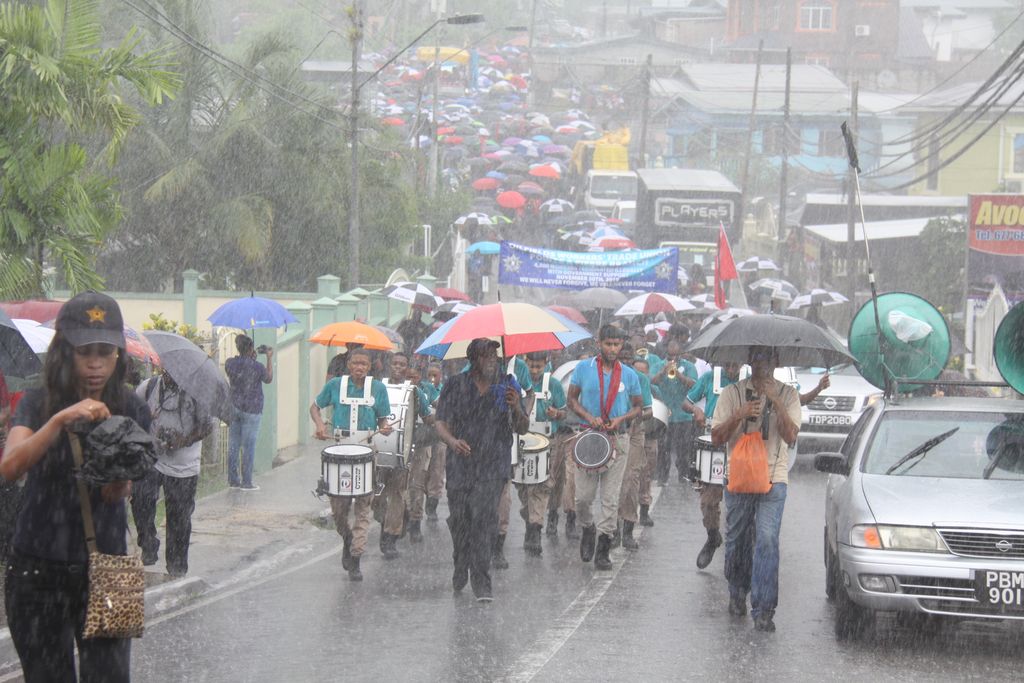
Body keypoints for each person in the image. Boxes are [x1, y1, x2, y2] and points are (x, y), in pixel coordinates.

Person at [1, 291, 151, 681]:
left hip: (107, 569)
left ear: (119, 355)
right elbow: (10, 466)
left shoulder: (133, 408)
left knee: (110, 678)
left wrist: (118, 478)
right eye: (86, 352)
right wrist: (60, 420)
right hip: (37, 573)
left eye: (106, 351)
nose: (96, 364)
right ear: (65, 352)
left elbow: (120, 491)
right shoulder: (38, 403)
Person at [711, 346, 801, 633]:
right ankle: (737, 588)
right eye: (757, 358)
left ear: (776, 362)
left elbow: (791, 437)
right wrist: (738, 415)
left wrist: (776, 401)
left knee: (766, 539)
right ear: (749, 362)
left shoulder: (789, 394)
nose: (762, 365)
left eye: (768, 359)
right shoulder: (731, 393)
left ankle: (764, 609)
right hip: (739, 477)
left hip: (773, 479)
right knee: (737, 539)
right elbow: (716, 438)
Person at [435, 338, 528, 602]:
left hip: (493, 465)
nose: (492, 361)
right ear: (473, 360)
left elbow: (522, 427)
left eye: (495, 357)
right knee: (460, 520)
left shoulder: (508, 385)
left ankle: (481, 580)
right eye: (486, 356)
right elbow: (440, 422)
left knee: (485, 521)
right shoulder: (455, 385)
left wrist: (516, 407)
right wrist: (452, 441)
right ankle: (459, 560)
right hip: (460, 464)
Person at [310, 347, 392, 580]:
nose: (359, 367)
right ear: (348, 364)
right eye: (355, 363)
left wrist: (385, 426)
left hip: (366, 451)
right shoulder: (335, 385)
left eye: (363, 364)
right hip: (338, 450)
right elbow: (315, 407)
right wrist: (319, 425)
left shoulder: (378, 388)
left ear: (370, 366)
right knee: (338, 508)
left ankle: (356, 557)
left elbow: (383, 418)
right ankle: (347, 537)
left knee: (363, 506)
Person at [567, 325, 643, 571]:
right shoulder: (583, 368)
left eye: (617, 344)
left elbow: (638, 407)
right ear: (599, 343)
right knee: (582, 498)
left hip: (617, 439)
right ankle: (588, 528)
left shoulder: (629, 375)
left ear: (622, 345)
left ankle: (603, 547)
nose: (613, 349)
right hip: (588, 436)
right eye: (608, 344)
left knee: (611, 498)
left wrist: (622, 419)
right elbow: (571, 400)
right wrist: (589, 417)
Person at [133, 371, 214, 576]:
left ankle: (176, 570)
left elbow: (206, 426)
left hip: (183, 466)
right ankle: (148, 543)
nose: (172, 375)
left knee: (179, 519)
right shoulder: (148, 387)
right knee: (141, 499)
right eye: (168, 370)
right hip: (153, 459)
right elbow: (133, 413)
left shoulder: (197, 393)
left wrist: (184, 440)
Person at [516, 351, 567, 556]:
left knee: (543, 484)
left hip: (548, 440)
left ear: (546, 364)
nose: (535, 371)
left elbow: (564, 412)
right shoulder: (518, 382)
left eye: (539, 366)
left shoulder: (553, 384)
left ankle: (535, 528)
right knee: (522, 485)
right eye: (531, 366)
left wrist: (557, 414)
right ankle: (530, 518)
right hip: (522, 440)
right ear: (525, 362)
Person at [615, 342, 653, 550]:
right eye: (623, 358)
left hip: (634, 432)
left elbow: (648, 410)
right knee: (611, 480)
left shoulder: (639, 379)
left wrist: (633, 418)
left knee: (630, 477)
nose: (626, 362)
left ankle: (628, 527)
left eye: (630, 358)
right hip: (611, 431)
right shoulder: (606, 375)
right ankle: (611, 528)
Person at [225, 335, 273, 490]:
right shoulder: (257, 366)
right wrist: (269, 358)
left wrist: (248, 358)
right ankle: (247, 482)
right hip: (252, 410)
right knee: (248, 446)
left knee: (233, 445)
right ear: (251, 348)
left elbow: (239, 371)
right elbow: (268, 378)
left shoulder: (230, 364)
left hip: (235, 407)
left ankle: (233, 480)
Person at [651, 340, 698, 485]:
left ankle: (683, 476)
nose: (673, 360)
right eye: (670, 357)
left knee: (683, 450)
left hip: (683, 415)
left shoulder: (689, 366)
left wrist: (678, 374)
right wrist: (663, 371)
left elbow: (694, 385)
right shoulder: (659, 365)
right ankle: (662, 478)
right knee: (663, 448)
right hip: (664, 414)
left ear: (680, 354)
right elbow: (651, 382)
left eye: (675, 357)